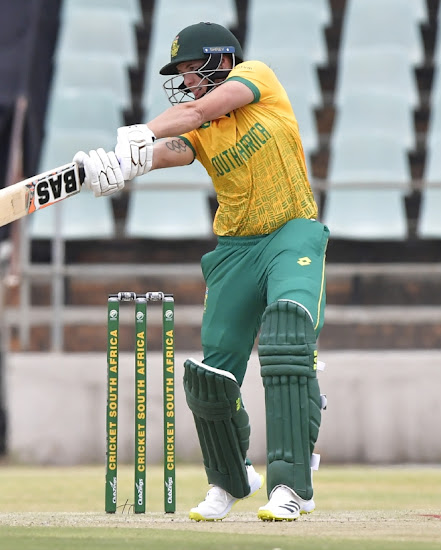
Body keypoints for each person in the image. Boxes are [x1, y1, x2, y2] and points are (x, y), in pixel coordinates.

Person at [73, 22, 328, 522]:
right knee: (212, 377)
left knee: (287, 331)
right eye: (182, 73)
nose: (187, 81)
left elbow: (194, 111)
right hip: (234, 249)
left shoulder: (257, 79)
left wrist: (142, 131)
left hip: (291, 232)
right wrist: (122, 165)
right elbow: (177, 147)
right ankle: (230, 482)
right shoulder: (200, 130)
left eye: (193, 69)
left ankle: (292, 487)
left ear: (221, 61)